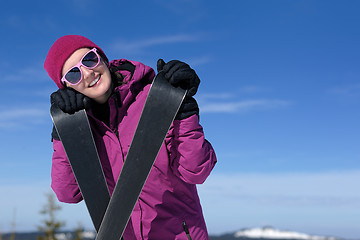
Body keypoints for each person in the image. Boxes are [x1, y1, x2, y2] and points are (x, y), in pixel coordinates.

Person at [44, 35, 217, 240]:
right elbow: (68, 193)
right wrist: (65, 134)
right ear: (67, 88)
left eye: (89, 60)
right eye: (74, 74)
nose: (88, 73)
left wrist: (184, 114)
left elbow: (196, 171)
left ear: (102, 58)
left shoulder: (155, 99)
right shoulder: (83, 131)